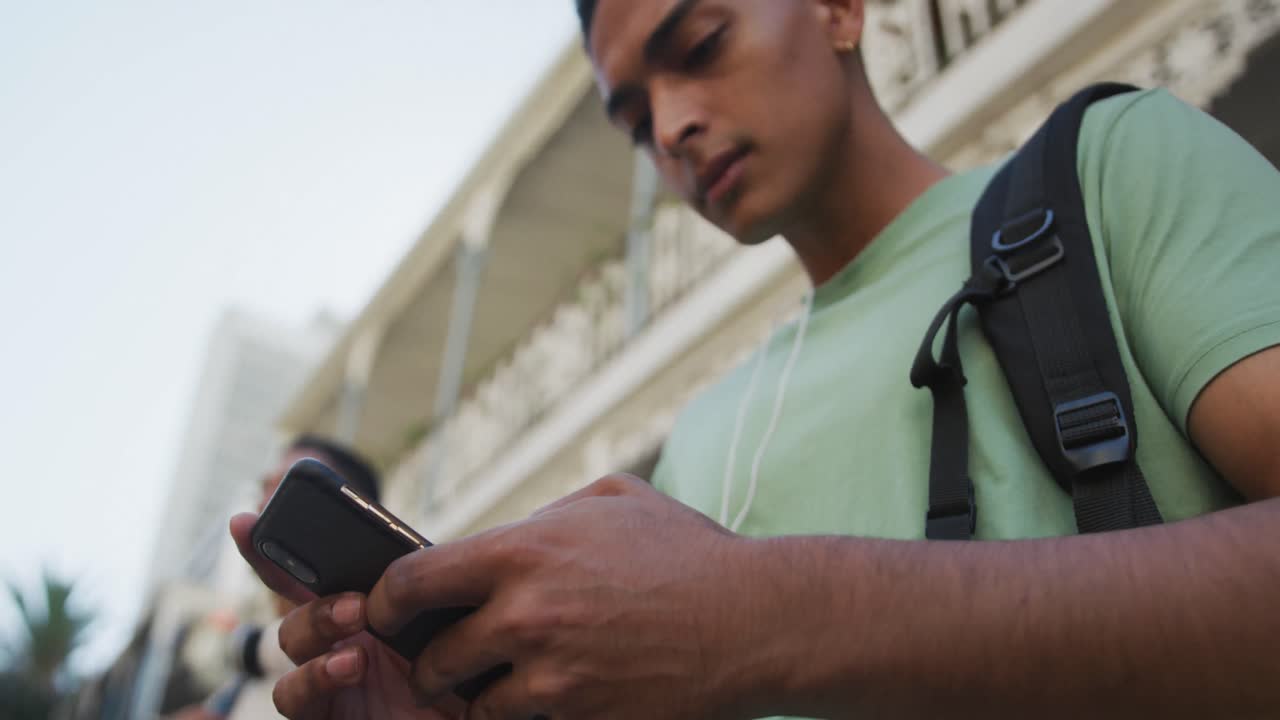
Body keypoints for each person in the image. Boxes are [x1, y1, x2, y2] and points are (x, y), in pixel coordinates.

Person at [231, 1, 1280, 718]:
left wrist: (761, 611)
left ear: (835, 7)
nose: (675, 126)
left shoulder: (1111, 167)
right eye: (634, 118)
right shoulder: (699, 439)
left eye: (699, 43)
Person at [170, 435, 381, 720]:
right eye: (266, 487)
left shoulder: (376, 674)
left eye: (293, 486)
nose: (266, 503)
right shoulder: (237, 689)